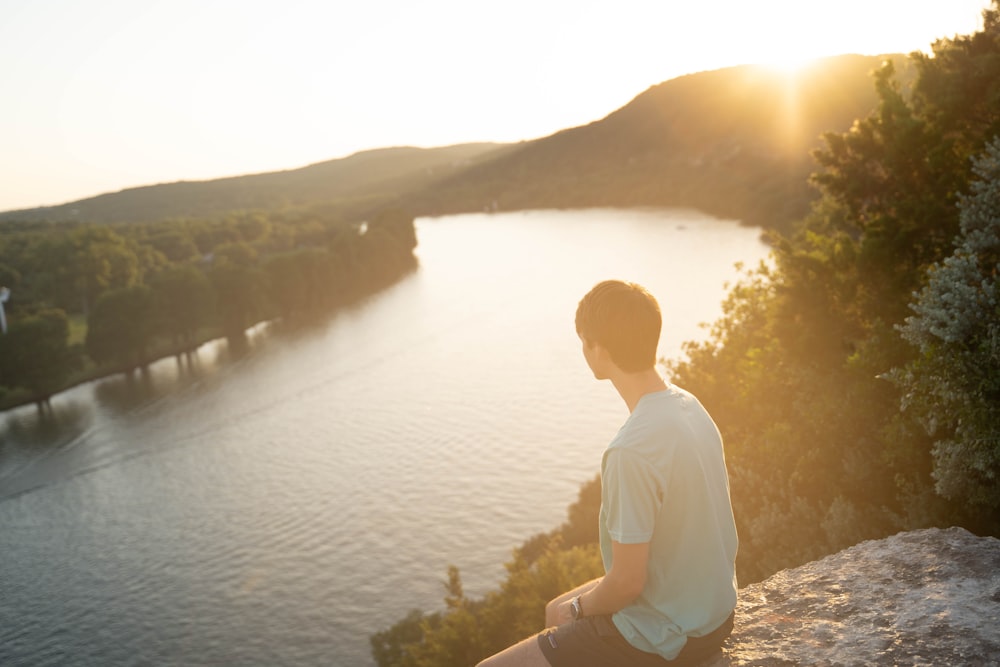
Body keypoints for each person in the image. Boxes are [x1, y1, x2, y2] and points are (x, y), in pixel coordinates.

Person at [477, 279, 738, 667]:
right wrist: (572, 610)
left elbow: (628, 583)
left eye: (584, 341)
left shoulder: (630, 450)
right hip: (714, 614)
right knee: (555, 610)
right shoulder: (688, 405)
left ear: (598, 348)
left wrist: (581, 609)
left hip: (666, 636)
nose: (584, 351)